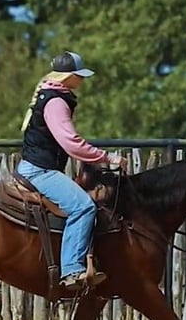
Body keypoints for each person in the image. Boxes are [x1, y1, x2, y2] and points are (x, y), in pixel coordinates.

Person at [17, 50, 128, 292]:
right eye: (79, 75)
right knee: (83, 206)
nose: (82, 80)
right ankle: (71, 270)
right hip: (40, 171)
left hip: (37, 166)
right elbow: (71, 142)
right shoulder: (56, 102)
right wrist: (107, 157)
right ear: (68, 77)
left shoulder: (50, 95)